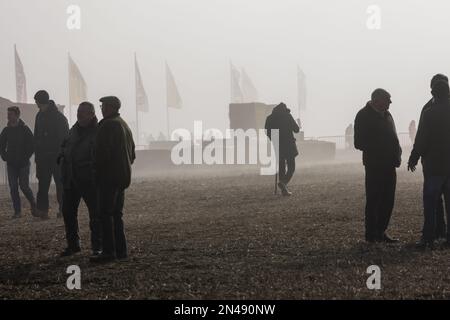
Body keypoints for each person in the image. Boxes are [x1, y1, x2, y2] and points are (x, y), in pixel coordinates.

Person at [90, 96, 135, 263]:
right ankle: (121, 251)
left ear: (110, 107)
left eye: (103, 106)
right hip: (122, 175)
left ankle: (109, 251)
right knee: (117, 214)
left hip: (108, 177)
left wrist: (96, 170)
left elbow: (102, 153)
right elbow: (132, 153)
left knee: (105, 214)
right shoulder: (123, 124)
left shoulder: (107, 125)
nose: (101, 109)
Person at [354, 89, 402, 243]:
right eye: (387, 99)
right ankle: (371, 235)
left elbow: (394, 137)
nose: (390, 102)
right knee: (374, 199)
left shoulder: (388, 115)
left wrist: (397, 154)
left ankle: (381, 231)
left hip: (390, 165)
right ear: (377, 100)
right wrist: (380, 148)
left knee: (388, 200)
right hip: (374, 165)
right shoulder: (363, 115)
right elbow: (358, 142)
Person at [408, 80, 450, 249]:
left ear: (433, 94)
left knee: (431, 202)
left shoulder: (429, 113)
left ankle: (428, 237)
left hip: (434, 166)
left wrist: (414, 156)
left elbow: (422, 139)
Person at [58, 102, 102, 257]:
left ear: (92, 114)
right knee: (68, 212)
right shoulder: (73, 130)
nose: (79, 114)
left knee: (96, 215)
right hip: (71, 178)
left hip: (89, 179)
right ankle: (73, 245)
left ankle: (98, 246)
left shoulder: (98, 132)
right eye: (78, 111)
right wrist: (61, 156)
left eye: (83, 112)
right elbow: (65, 147)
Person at [33, 90, 69, 219]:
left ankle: (63, 209)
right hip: (44, 158)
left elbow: (64, 138)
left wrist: (60, 155)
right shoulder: (40, 116)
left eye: (36, 101)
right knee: (43, 185)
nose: (36, 103)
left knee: (60, 185)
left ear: (40, 101)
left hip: (56, 157)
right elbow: (36, 136)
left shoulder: (58, 118)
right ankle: (43, 210)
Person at [0, 106, 37, 219]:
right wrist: (5, 156)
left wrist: (26, 157)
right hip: (11, 164)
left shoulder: (25, 129)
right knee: (13, 187)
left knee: (24, 186)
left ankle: (33, 203)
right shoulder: (6, 131)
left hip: (23, 164)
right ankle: (17, 211)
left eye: (10, 114)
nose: (8, 116)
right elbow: (1, 145)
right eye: (8, 114)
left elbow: (32, 144)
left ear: (17, 115)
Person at [265, 102, 300, 196]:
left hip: (278, 145)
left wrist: (274, 140)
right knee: (291, 167)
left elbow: (267, 132)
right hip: (289, 144)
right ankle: (283, 183)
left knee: (281, 166)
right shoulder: (287, 116)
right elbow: (296, 129)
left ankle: (283, 189)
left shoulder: (270, 118)